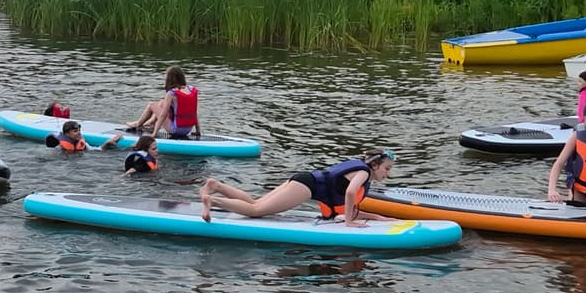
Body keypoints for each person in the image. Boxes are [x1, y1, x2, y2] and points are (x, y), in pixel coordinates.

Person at [199, 151, 397, 226]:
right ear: (375, 165)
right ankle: (213, 200)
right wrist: (348, 224)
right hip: (306, 186)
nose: (387, 174)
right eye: (386, 169)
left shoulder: (360, 169)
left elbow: (351, 208)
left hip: (304, 180)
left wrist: (381, 218)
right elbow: (350, 193)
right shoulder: (363, 173)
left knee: (255, 203)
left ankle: (216, 186)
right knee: (255, 211)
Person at [126, 67, 200, 138]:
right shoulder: (191, 89)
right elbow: (194, 113)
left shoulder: (172, 93)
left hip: (175, 130)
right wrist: (198, 131)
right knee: (162, 103)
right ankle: (151, 124)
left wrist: (154, 134)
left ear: (169, 78)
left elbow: (163, 115)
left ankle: (138, 124)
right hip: (188, 129)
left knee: (151, 104)